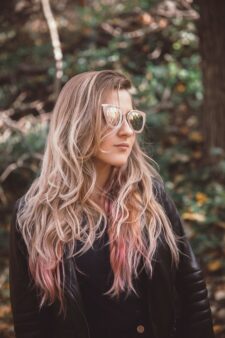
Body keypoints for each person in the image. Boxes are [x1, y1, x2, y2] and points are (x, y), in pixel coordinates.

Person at [9, 70, 215, 338]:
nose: (128, 131)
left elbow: (192, 290)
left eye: (131, 118)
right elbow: (30, 323)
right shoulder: (32, 216)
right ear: (78, 122)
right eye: (112, 117)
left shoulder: (151, 197)